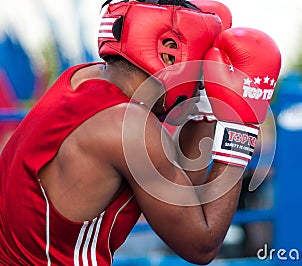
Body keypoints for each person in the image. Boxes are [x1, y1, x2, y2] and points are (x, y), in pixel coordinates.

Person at [0, 0, 282, 265]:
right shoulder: (127, 125)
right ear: (169, 50)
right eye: (199, 66)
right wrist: (239, 127)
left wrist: (206, 105)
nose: (198, 81)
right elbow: (201, 244)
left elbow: (181, 196)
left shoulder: (80, 78)